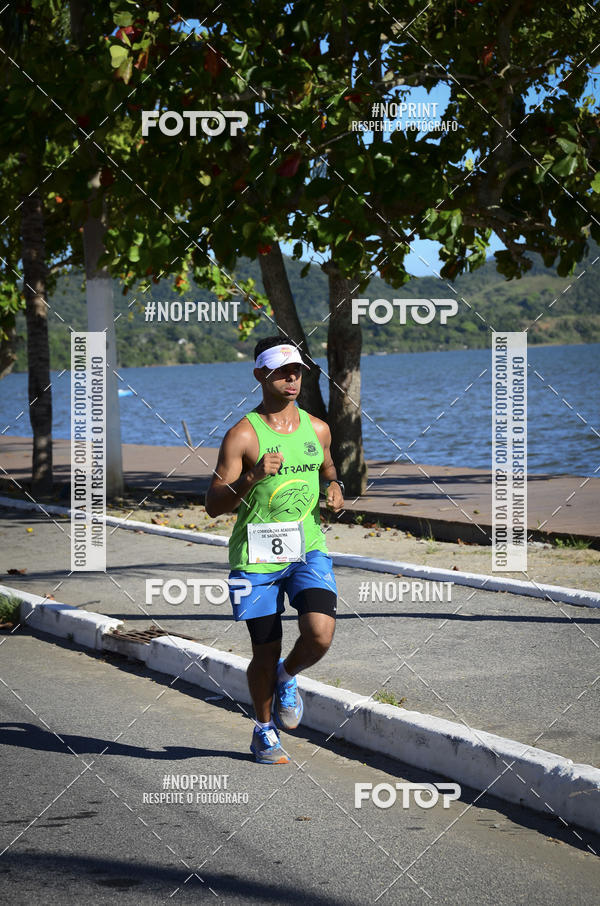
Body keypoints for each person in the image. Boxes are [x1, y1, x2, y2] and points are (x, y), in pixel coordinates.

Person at [205, 336, 344, 764]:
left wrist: (335, 485)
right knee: (263, 650)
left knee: (320, 634)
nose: (291, 378)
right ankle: (264, 730)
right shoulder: (243, 435)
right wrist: (250, 477)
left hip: (307, 549)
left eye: (297, 370)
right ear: (260, 375)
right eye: (282, 371)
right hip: (256, 558)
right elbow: (213, 505)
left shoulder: (317, 427)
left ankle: (288, 675)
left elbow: (327, 465)